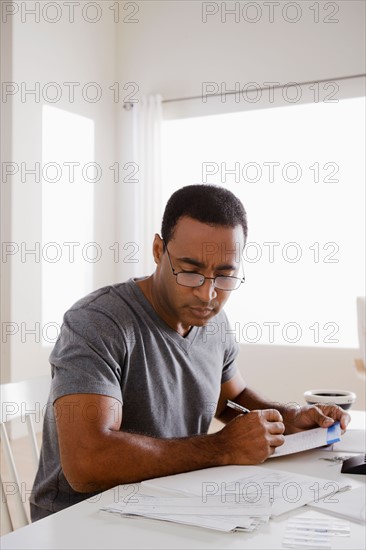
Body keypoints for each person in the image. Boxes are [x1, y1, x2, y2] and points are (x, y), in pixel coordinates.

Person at [30, 184, 350, 521]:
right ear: (158, 250)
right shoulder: (98, 322)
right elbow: (87, 463)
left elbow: (233, 397)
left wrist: (291, 416)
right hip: (82, 522)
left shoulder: (213, 321)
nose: (207, 293)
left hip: (170, 507)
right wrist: (221, 448)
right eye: (191, 271)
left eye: (225, 275)